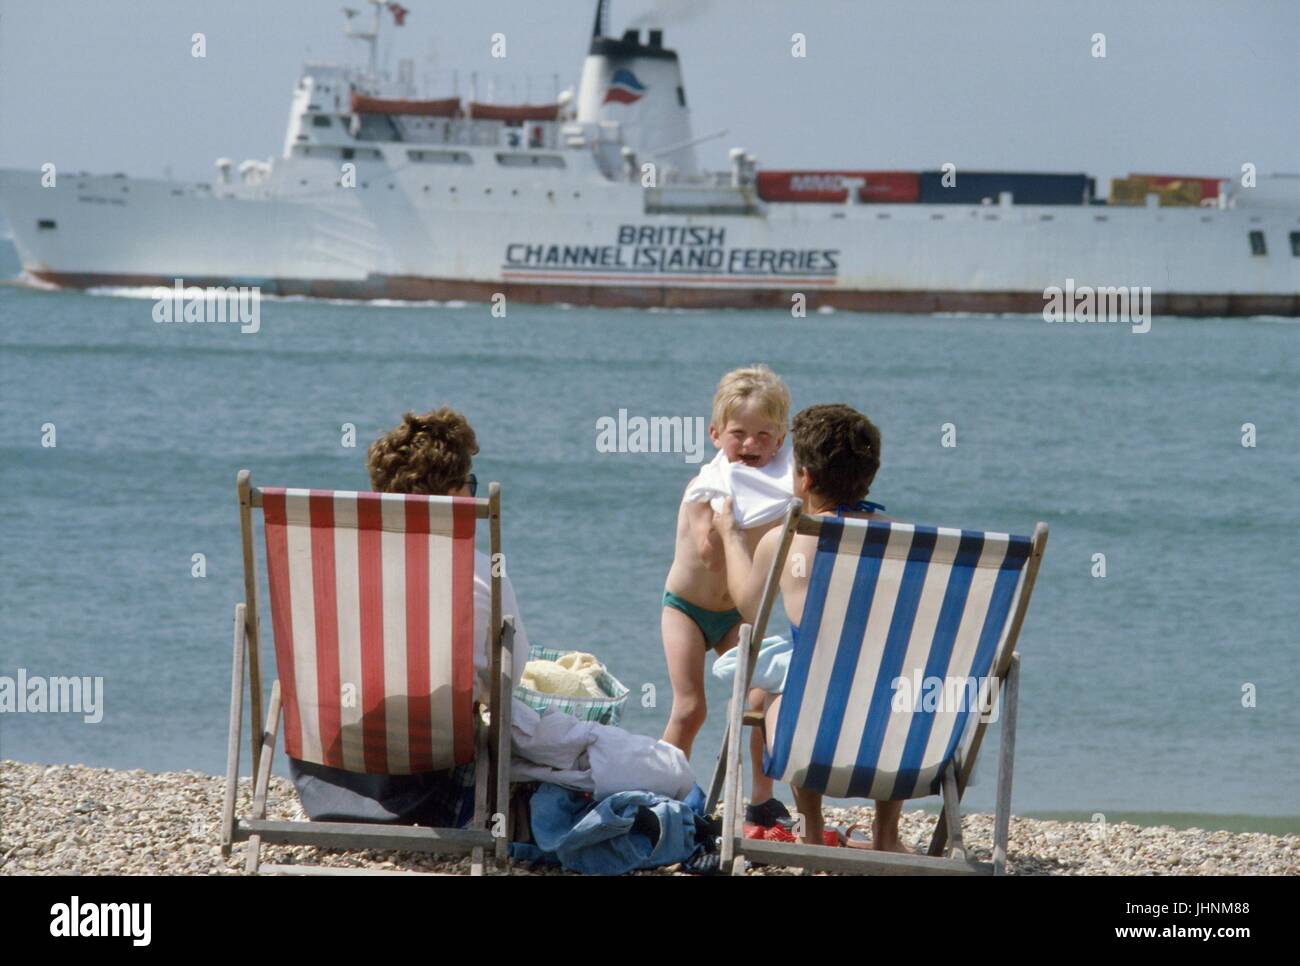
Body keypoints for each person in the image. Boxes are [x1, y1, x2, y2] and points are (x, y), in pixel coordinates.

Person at [288, 407, 531, 829]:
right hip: (429, 777)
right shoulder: (476, 572)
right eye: (469, 484)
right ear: (453, 495)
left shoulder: (327, 564)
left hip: (326, 768)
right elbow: (508, 679)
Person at [711, 403, 908, 852]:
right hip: (900, 732)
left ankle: (812, 829)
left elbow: (747, 603)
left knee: (778, 699)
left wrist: (729, 533)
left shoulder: (790, 538)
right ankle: (886, 834)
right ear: (870, 476)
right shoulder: (906, 541)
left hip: (814, 730)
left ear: (804, 479)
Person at [660, 365, 792, 825]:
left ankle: (760, 799)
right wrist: (726, 519)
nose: (751, 445)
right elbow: (710, 556)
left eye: (763, 435)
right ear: (716, 434)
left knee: (758, 699)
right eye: (739, 433)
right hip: (686, 610)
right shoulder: (706, 489)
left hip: (736, 613)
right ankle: (662, 793)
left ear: (780, 441)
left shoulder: (776, 497)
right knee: (691, 707)